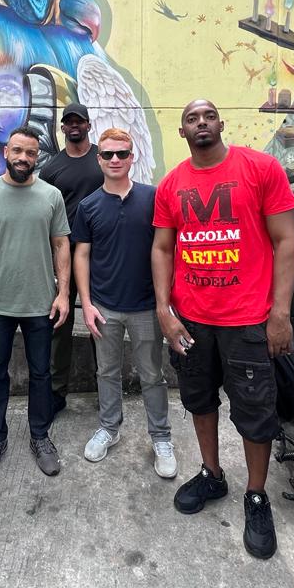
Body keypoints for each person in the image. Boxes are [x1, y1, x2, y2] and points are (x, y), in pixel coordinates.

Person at [151, 99, 294, 560]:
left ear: (221, 123)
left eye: (208, 116)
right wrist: (164, 311)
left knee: (255, 413)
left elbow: (286, 240)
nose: (201, 122)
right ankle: (212, 475)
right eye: (192, 118)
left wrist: (280, 313)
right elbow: (162, 248)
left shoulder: (261, 169)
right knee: (198, 401)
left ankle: (256, 494)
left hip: (247, 320)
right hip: (192, 320)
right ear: (182, 131)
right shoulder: (172, 184)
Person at [0, 125, 70, 479]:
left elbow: (61, 245)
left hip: (41, 303)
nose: (24, 158)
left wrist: (63, 294)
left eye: (31, 153)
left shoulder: (52, 196)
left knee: (41, 373)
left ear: (38, 156)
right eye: (18, 151)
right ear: (5, 152)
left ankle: (40, 436)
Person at [72, 128, 177, 479]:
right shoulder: (88, 206)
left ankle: (161, 437)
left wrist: (165, 302)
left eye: (122, 153)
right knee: (106, 372)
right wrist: (87, 303)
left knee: (152, 374)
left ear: (133, 157)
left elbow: (167, 249)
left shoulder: (153, 197)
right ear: (99, 159)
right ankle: (109, 427)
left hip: (146, 306)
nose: (115, 159)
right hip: (104, 307)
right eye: (108, 154)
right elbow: (82, 255)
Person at [40, 102, 104, 415]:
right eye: (69, 122)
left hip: (100, 254)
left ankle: (106, 392)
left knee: (100, 325)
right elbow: (46, 213)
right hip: (63, 253)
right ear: (63, 127)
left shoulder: (104, 158)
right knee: (59, 324)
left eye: (80, 121)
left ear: (88, 125)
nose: (74, 126)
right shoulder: (51, 168)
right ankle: (56, 394)